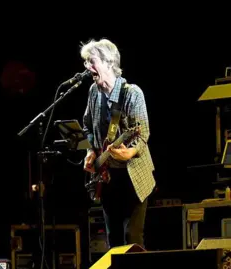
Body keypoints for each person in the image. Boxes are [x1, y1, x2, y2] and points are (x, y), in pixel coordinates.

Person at [81, 38, 155, 248]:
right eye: (86, 62)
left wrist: (130, 153)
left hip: (134, 177)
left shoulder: (132, 93)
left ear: (109, 62)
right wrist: (90, 151)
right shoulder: (93, 93)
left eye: (91, 61)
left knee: (132, 239)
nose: (87, 67)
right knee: (112, 241)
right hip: (107, 178)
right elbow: (87, 127)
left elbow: (143, 135)